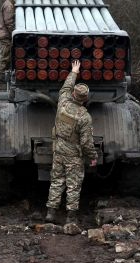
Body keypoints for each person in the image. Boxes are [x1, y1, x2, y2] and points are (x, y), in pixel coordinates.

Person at [46, 60, 98, 225]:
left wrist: (74, 71)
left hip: (58, 149)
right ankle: (71, 216)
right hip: (74, 154)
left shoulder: (63, 101)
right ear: (85, 98)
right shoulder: (84, 117)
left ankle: (51, 213)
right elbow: (86, 142)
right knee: (73, 185)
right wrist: (93, 156)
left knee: (56, 181)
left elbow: (66, 87)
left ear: (73, 94)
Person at [0, 0, 15, 82]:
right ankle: (1, 76)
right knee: (5, 55)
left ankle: (3, 75)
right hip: (5, 35)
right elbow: (9, 22)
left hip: (5, 34)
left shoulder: (8, 4)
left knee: (5, 55)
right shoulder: (9, 5)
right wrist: (14, 33)